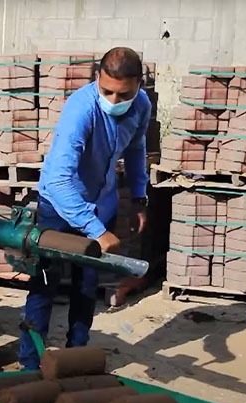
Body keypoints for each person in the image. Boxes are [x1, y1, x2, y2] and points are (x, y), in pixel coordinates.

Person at [18, 47, 151, 370]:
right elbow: (59, 181)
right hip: (59, 207)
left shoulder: (141, 106)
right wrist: (96, 231)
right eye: (107, 91)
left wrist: (139, 196)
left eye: (124, 94)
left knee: (86, 286)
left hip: (101, 204)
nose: (114, 101)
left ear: (139, 85)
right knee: (45, 283)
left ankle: (75, 357)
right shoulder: (81, 109)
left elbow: (136, 149)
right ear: (97, 78)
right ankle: (30, 363)